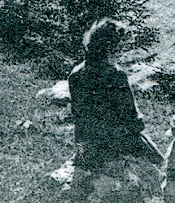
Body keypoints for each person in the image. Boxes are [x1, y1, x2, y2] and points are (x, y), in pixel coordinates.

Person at [69, 18, 164, 199]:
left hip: (87, 143)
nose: (122, 51)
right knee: (158, 164)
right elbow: (131, 118)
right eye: (121, 47)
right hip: (114, 143)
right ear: (111, 47)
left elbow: (79, 116)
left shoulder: (76, 73)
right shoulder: (115, 75)